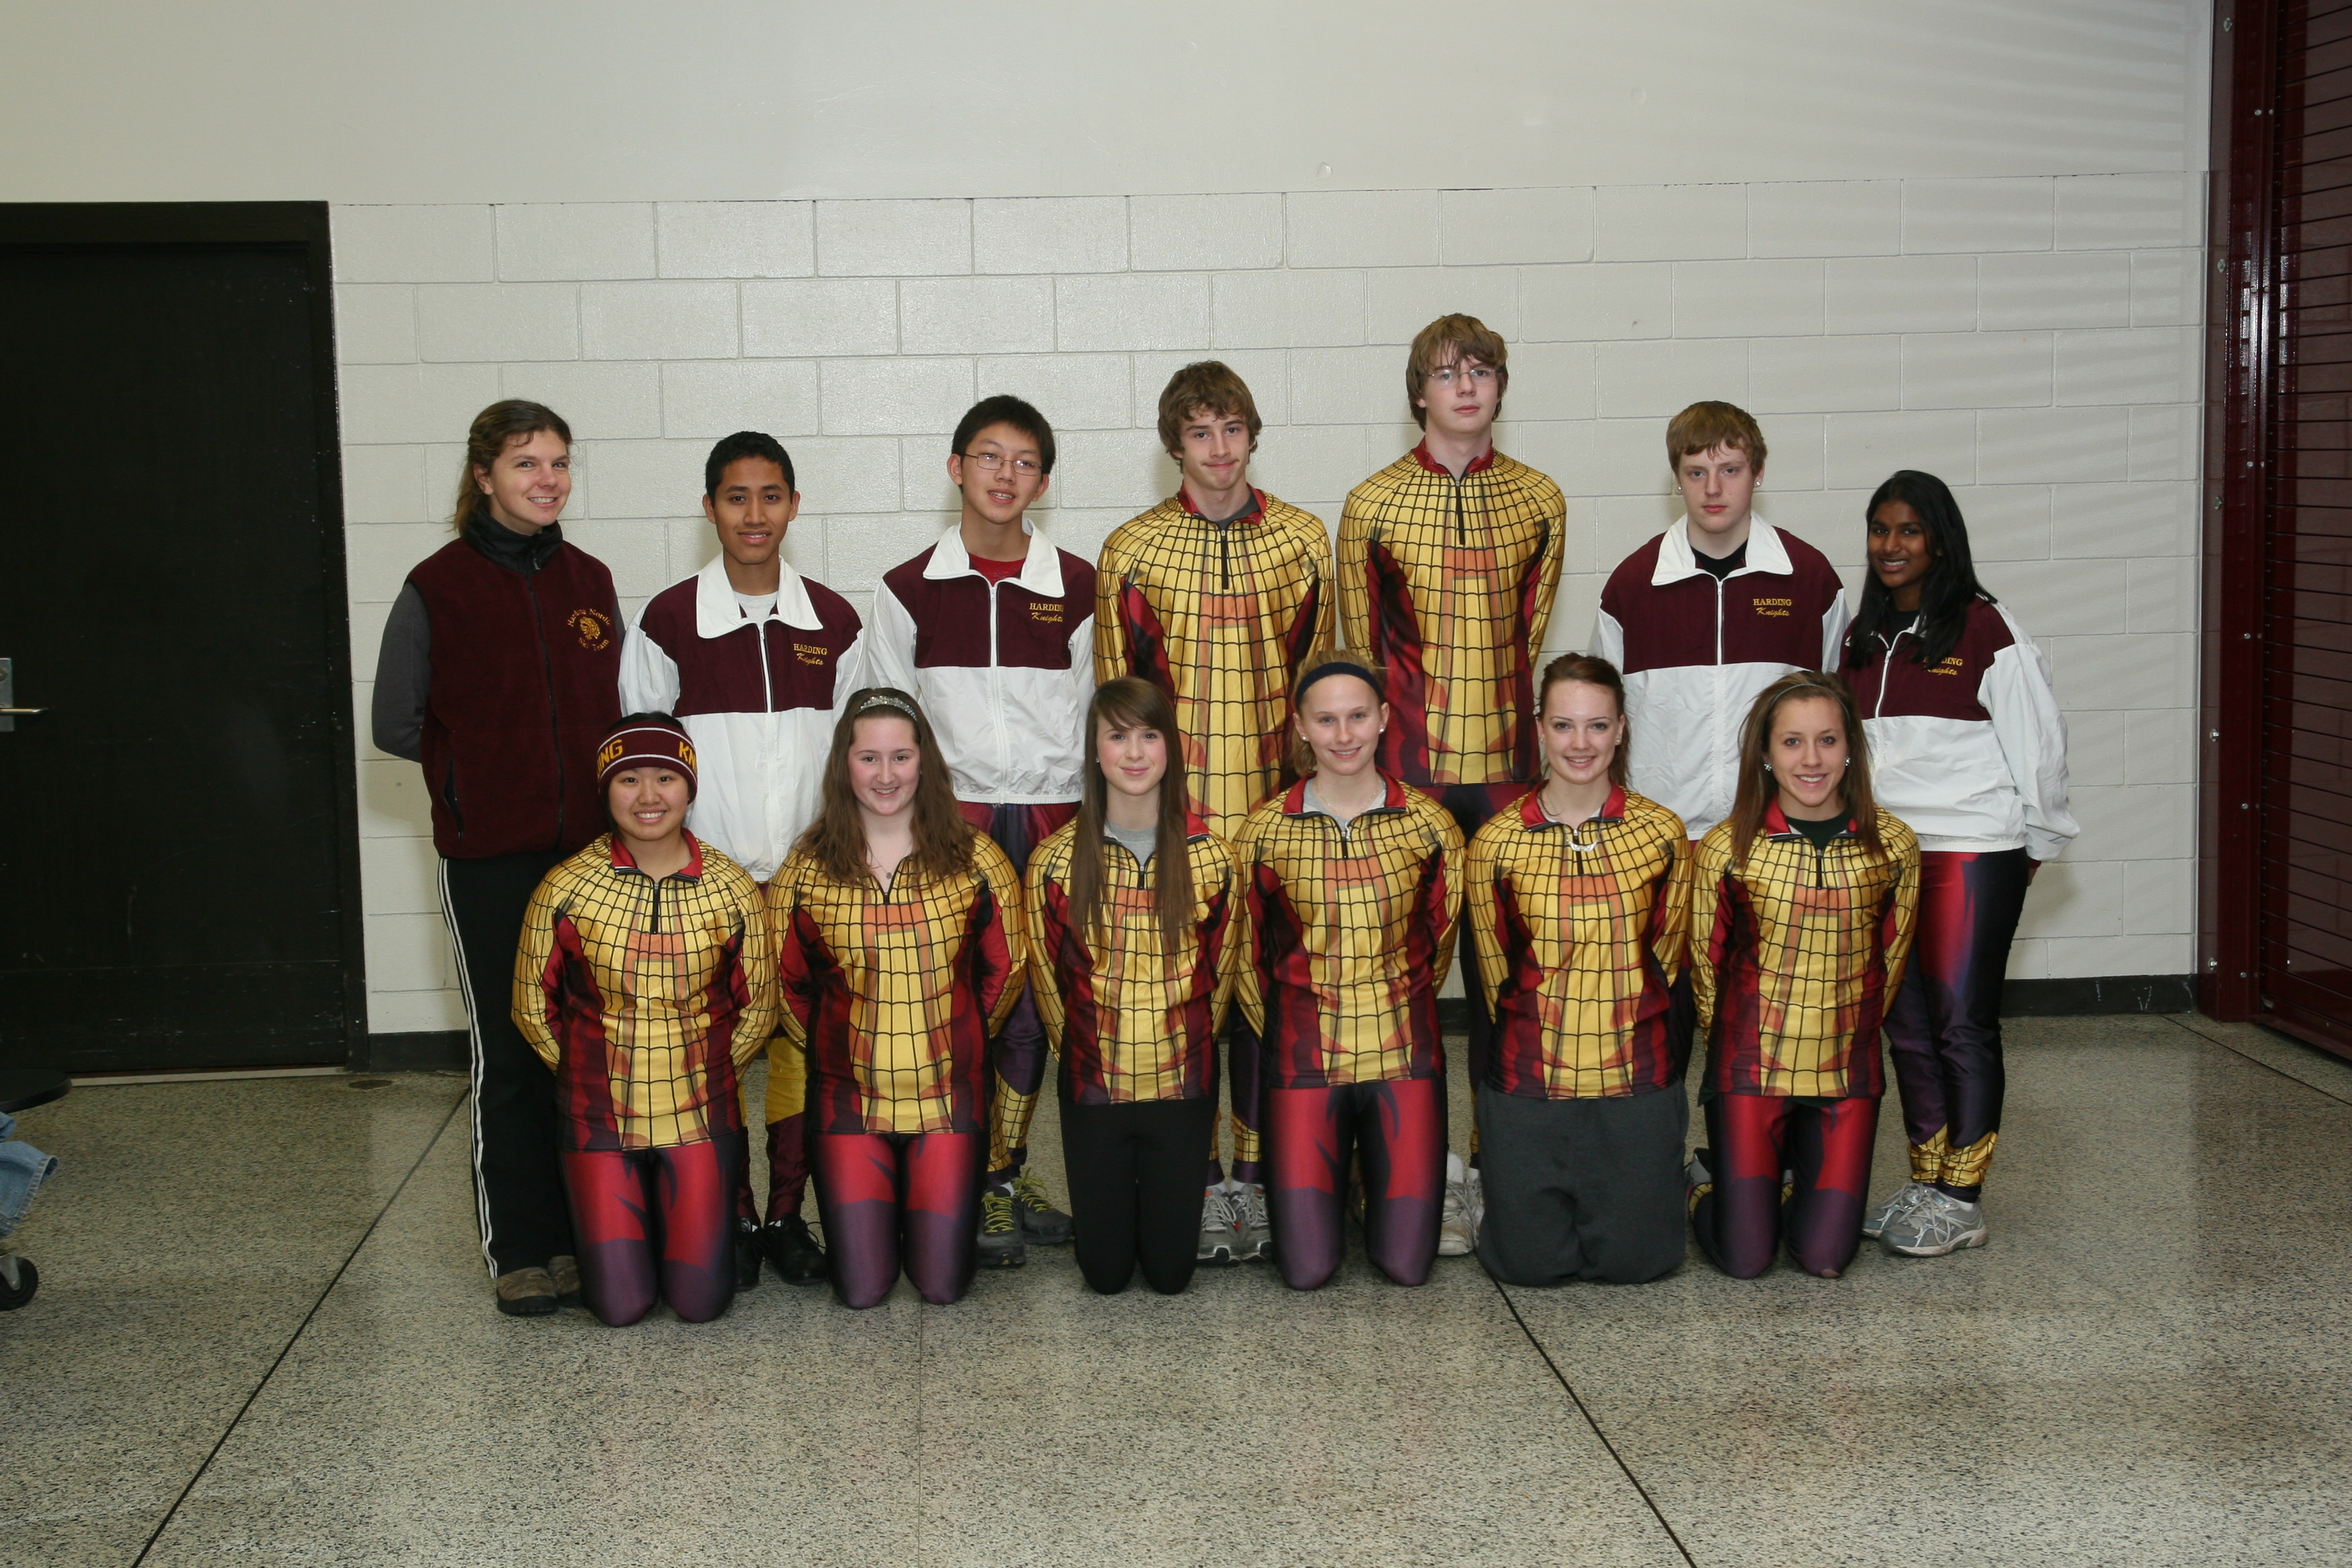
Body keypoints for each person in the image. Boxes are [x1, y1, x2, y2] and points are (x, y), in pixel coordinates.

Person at [371, 399, 622, 1318]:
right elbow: (395, 722)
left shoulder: (590, 580)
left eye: (558, 462)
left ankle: (580, 1240)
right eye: (525, 463)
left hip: (588, 863)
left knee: (584, 1055)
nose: (547, 480)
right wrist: (476, 778)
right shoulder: (436, 587)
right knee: (512, 1057)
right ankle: (520, 1247)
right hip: (490, 862)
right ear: (484, 476)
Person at [1338, 312, 1566, 1259]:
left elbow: (1530, 635)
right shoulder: (1372, 504)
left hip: (1510, 777)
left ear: (1501, 386)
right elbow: (1359, 648)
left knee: (1510, 982)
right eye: (1445, 372)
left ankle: (1494, 1165)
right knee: (1403, 983)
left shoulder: (1541, 499)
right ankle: (1416, 1174)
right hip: (1409, 777)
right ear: (1418, 393)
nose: (1465, 385)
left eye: (1481, 369)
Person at [1096, 361, 1334, 1265]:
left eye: (1233, 428)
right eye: (1200, 432)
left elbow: (1318, 688)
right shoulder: (1132, 549)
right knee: (1185, 1004)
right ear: (1175, 445)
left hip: (1274, 815)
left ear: (1253, 435)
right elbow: (1120, 700)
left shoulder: (1303, 539)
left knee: (1270, 1003)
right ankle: (1195, 1184)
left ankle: (1258, 1179)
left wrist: (1304, 803)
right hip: (1176, 824)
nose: (1219, 447)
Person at [620, 430, 868, 1291]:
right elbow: (644, 767)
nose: (754, 513)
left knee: (804, 1047)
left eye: (770, 495)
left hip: (810, 882)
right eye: (736, 496)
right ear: (709, 508)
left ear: (794, 505)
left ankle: (786, 1216)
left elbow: (857, 756)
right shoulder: (666, 620)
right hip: (706, 886)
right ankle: (724, 1213)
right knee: (710, 1049)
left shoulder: (836, 621)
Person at [867, 395, 1093, 1268]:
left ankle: (1003, 1174)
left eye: (1025, 461)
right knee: (953, 1006)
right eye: (989, 456)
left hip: (1052, 817)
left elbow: (1097, 720)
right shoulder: (906, 588)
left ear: (1045, 480)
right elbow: (886, 720)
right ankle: (950, 1180)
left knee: (1031, 1005)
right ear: (955, 467)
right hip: (949, 825)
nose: (1006, 474)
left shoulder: (1079, 587)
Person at [1843, 472, 2077, 1258]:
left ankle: (1964, 1197)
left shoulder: (1985, 627)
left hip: (1972, 848)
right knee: (1906, 1026)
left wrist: (2035, 842)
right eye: (1880, 529)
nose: (1891, 545)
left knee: (1960, 1021)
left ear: (1940, 541)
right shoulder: (1862, 633)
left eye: (1909, 530)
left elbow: (2040, 744)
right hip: (1888, 855)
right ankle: (1928, 1180)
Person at [513, 716, 777, 1326]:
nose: (649, 796)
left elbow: (758, 1006)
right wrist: (588, 1073)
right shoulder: (565, 886)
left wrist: (704, 1073)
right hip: (598, 1118)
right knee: (619, 1308)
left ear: (690, 788)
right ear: (606, 790)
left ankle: (679, 1235)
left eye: (666, 778)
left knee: (701, 1305)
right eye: (629, 779)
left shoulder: (732, 887)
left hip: (701, 1112)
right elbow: (531, 1006)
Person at [768, 689, 1025, 1310]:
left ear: (924, 762)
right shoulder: (805, 866)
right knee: (862, 1291)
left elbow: (1004, 971)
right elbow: (786, 983)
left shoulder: (978, 858)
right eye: (869, 758)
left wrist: (959, 1036)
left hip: (949, 1098)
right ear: (844, 765)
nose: (886, 776)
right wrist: (836, 1046)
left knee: (941, 1287)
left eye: (901, 757)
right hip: (847, 1100)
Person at [1232, 656, 1464, 1290]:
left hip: (1404, 1058)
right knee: (1308, 1271)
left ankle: (1366, 1184)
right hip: (1305, 1061)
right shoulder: (1264, 830)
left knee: (1406, 1268)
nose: (1343, 735)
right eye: (1326, 720)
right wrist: (1290, 1026)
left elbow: (1438, 942)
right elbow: (1247, 956)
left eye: (1358, 716)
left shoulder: (1431, 826)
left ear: (1385, 718)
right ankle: (1345, 1182)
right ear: (1300, 727)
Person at [1465, 654, 1690, 1286]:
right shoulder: (1495, 843)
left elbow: (1669, 960)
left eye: (1597, 725)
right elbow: (1493, 973)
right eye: (1564, 726)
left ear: (1621, 729)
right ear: (1540, 730)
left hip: (1636, 1080)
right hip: (1530, 1081)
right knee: (1529, 1268)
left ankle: (1687, 1180)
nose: (1580, 743)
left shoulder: (1663, 833)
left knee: (1637, 1266)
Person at [1686, 672, 1919, 1280]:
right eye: (1792, 742)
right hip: (1750, 1066)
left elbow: (1891, 961)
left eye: (1827, 740)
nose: (1811, 760)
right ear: (1765, 753)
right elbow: (1705, 966)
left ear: (1851, 749)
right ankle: (1702, 1183)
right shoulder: (1727, 848)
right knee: (1746, 1259)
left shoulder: (1894, 845)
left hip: (1846, 1069)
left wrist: (1849, 1032)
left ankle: (1784, 1180)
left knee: (1825, 1258)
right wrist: (1730, 1050)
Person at [1026, 678, 1240, 1295]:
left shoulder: (1214, 858)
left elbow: (1222, 976)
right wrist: (1086, 1057)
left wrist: (1186, 1051)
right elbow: (1048, 985)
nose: (1136, 752)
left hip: (1183, 1087)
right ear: (1094, 752)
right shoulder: (1054, 861)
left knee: (1172, 1276)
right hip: (1094, 1089)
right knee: (1105, 1274)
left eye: (1149, 735)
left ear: (1171, 746)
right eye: (1118, 737)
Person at [1591, 401, 1849, 845]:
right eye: (1696, 473)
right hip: (1660, 833)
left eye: (1730, 470)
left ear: (1758, 472)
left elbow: (1842, 709)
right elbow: (1601, 717)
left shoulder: (1810, 579)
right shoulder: (1632, 585)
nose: (1713, 489)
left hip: (1778, 835)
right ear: (1676, 479)